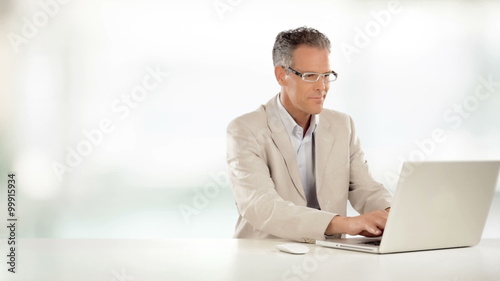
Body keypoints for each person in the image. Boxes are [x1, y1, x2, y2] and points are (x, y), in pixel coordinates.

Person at [226, 27, 392, 243]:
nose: (321, 87)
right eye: (310, 76)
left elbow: (366, 189)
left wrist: (394, 215)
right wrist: (344, 224)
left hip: (329, 257)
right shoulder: (245, 129)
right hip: (266, 256)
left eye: (326, 75)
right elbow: (260, 205)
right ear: (281, 75)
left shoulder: (342, 125)